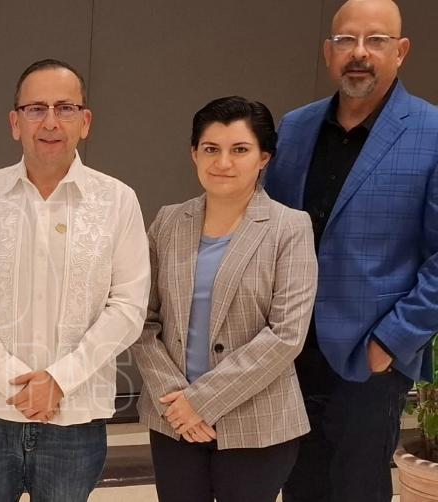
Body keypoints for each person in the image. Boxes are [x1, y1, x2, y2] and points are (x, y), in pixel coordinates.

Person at [0, 58, 150, 501]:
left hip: (75, 418)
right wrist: (14, 380)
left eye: (65, 108)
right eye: (36, 109)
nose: (50, 122)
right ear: (15, 123)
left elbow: (128, 307)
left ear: (85, 122)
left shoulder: (118, 201)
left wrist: (59, 380)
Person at [265, 1, 438, 500]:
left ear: (401, 51)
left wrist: (390, 343)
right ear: (328, 52)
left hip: (369, 360)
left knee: (358, 491)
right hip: (290, 355)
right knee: (300, 487)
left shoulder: (431, 133)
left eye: (376, 40)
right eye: (346, 40)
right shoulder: (295, 128)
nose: (359, 53)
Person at [131, 96, 317, 502]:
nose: (223, 162)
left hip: (257, 424)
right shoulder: (167, 221)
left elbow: (286, 335)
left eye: (240, 150)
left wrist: (202, 401)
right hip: (173, 419)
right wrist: (177, 401)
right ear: (194, 153)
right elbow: (140, 320)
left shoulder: (289, 227)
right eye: (211, 149)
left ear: (264, 158)